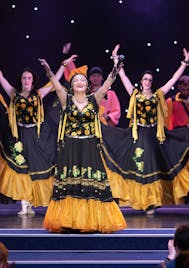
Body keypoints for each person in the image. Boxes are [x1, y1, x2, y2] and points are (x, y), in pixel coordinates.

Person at [102, 44, 189, 214]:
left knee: (153, 167)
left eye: (150, 79)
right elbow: (123, 76)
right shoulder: (135, 94)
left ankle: (152, 201)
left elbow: (172, 80)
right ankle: (140, 200)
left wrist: (184, 63)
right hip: (138, 134)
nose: (148, 82)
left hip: (153, 135)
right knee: (138, 167)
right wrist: (115, 60)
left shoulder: (158, 95)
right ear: (141, 82)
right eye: (145, 79)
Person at [39, 56, 126, 233]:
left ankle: (91, 221)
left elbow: (107, 83)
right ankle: (68, 220)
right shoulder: (66, 99)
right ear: (71, 85)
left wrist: (115, 70)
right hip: (70, 148)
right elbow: (54, 83)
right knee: (71, 184)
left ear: (87, 86)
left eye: (82, 80)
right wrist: (48, 69)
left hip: (89, 148)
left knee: (90, 183)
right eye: (76, 79)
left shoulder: (95, 99)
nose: (79, 82)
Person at [0, 53, 66, 215]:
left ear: (32, 80)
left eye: (29, 78)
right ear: (21, 80)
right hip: (20, 135)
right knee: (22, 169)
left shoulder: (38, 94)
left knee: (36, 169)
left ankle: (33, 200)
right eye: (24, 78)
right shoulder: (13, 94)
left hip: (36, 136)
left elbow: (55, 81)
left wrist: (63, 65)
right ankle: (24, 204)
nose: (26, 81)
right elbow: (1, 78)